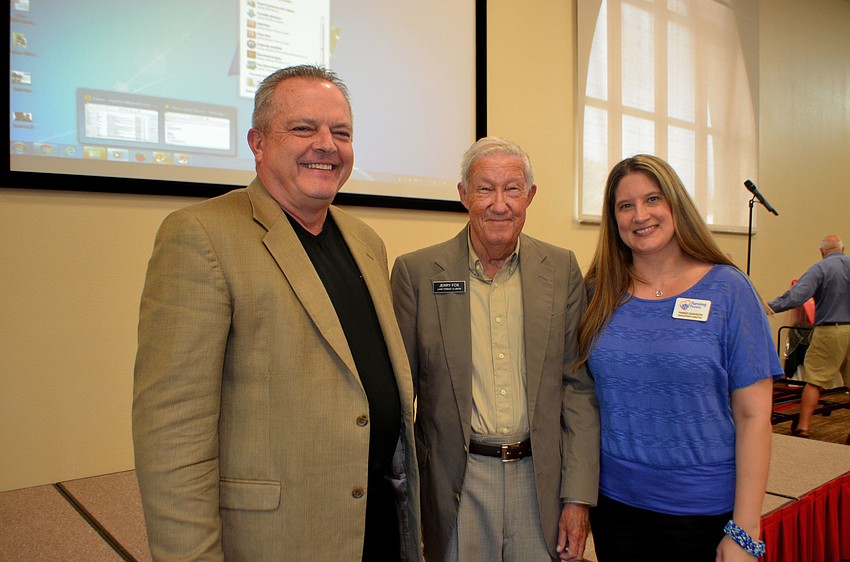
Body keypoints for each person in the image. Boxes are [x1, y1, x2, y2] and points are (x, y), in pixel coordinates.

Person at [132, 65, 421, 561]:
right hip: (276, 540)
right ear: (258, 143)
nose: (326, 144)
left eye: (341, 132)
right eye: (304, 128)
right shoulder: (200, 237)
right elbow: (172, 437)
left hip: (374, 527)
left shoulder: (366, 242)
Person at [391, 136, 600, 562]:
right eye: (485, 189)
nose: (499, 204)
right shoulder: (416, 274)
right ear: (464, 195)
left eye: (513, 189)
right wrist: (406, 500)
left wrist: (577, 499)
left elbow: (578, 390)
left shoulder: (561, 270)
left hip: (538, 480)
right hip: (457, 481)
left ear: (531, 196)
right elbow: (400, 395)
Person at [576, 155, 782, 562]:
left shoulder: (728, 290)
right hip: (615, 508)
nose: (640, 215)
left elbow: (754, 417)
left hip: (701, 512)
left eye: (652, 199)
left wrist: (745, 530)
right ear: (613, 218)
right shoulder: (598, 292)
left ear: (675, 205)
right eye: (625, 205)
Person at [768, 234, 850, 442]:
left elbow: (796, 296)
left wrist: (769, 307)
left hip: (830, 331)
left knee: (814, 380)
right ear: (843, 249)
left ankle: (803, 428)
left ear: (822, 251)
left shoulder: (821, 268)